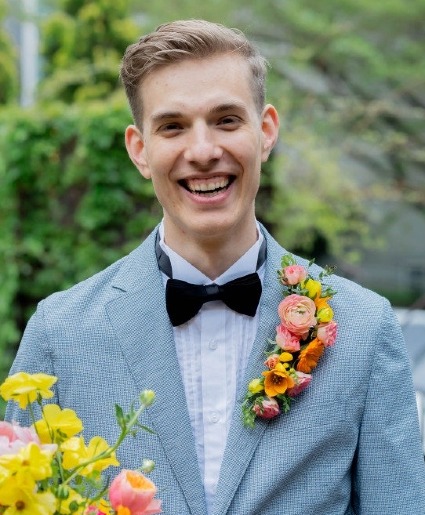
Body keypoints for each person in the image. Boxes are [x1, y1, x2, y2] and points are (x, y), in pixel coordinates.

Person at [6, 19, 425, 515]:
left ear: (265, 131)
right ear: (140, 150)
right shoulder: (60, 332)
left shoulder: (365, 328)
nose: (203, 151)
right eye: (173, 126)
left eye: (226, 120)